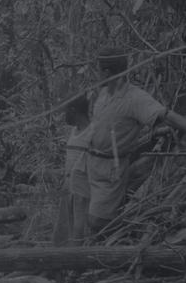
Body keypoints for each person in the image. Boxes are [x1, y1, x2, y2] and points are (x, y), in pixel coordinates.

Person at [86, 47, 186, 235]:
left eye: (98, 69)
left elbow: (166, 115)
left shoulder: (135, 98)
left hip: (110, 169)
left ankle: (116, 247)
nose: (96, 74)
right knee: (85, 214)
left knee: (98, 221)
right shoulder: (103, 93)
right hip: (91, 163)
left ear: (106, 72)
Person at [52, 94, 91, 246]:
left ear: (74, 111)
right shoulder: (74, 131)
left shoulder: (92, 132)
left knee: (79, 227)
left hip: (82, 188)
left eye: (66, 111)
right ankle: (62, 259)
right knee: (64, 226)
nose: (64, 115)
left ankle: (76, 262)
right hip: (68, 187)